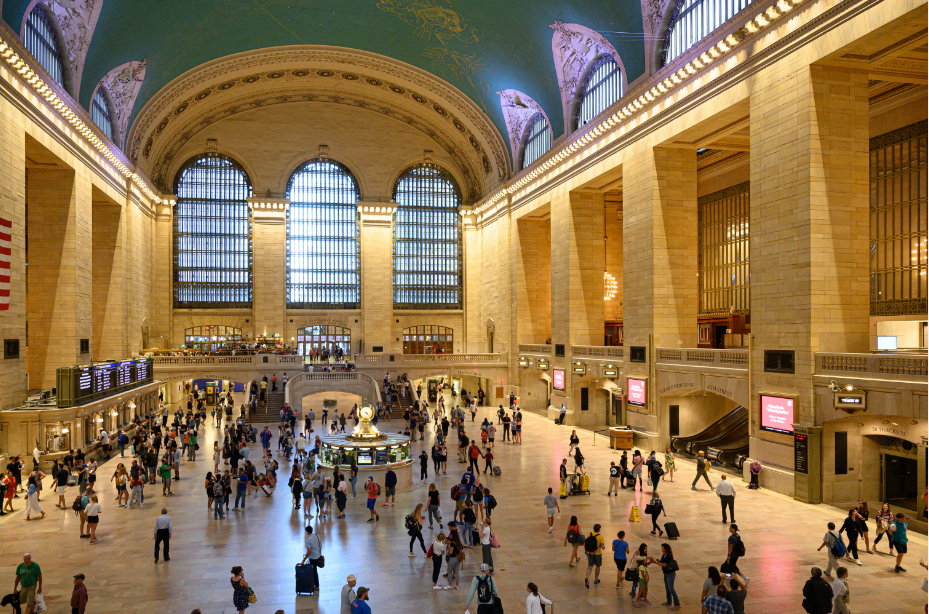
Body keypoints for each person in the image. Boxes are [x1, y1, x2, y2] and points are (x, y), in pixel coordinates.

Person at [652, 542, 681, 610]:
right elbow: (662, 562)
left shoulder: (669, 556)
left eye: (663, 548)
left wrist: (656, 562)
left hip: (670, 574)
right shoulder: (664, 555)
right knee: (667, 588)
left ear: (666, 549)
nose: (662, 549)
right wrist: (658, 561)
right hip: (665, 573)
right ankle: (669, 601)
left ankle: (677, 604)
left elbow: (665, 565)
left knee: (671, 588)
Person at [300, 525, 322, 595]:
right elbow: (320, 545)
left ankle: (316, 586)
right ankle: (315, 585)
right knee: (315, 571)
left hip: (313, 558)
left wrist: (304, 559)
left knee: (313, 571)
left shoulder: (308, 540)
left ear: (307, 532)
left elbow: (309, 551)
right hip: (318, 556)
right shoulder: (317, 536)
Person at [583, 523, 605, 588]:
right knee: (598, 566)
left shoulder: (589, 535)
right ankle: (596, 579)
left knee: (590, 566)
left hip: (590, 553)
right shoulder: (600, 537)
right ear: (599, 530)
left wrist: (586, 550)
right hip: (597, 554)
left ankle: (587, 578)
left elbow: (585, 544)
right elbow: (602, 546)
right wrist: (603, 547)